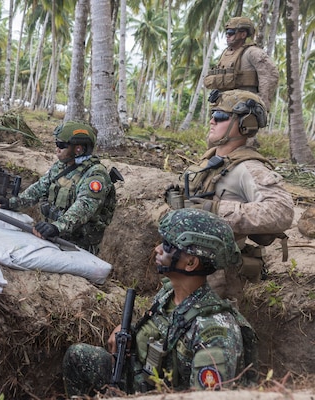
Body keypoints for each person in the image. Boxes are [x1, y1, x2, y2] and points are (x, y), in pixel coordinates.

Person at [62, 208, 258, 397]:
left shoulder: (215, 333)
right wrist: (127, 331)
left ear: (190, 263)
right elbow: (161, 334)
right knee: (78, 356)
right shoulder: (168, 294)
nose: (157, 249)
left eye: (167, 246)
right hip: (142, 383)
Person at [164, 89, 294, 300]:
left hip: (217, 275)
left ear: (245, 124)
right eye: (212, 114)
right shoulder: (210, 161)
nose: (212, 121)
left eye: (221, 116)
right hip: (184, 263)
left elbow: (282, 210)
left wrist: (216, 210)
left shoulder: (249, 168)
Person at [0, 121, 117, 255]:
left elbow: (84, 207)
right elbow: (39, 188)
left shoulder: (95, 175)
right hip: (53, 236)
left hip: (77, 246)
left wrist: (57, 227)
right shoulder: (61, 166)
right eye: (56, 144)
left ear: (78, 149)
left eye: (62, 145)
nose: (56, 149)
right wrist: (14, 203)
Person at [204, 16, 279, 111]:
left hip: (244, 109)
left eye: (231, 33)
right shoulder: (225, 54)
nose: (227, 35)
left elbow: (269, 75)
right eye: (226, 32)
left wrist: (261, 102)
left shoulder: (253, 52)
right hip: (222, 107)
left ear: (243, 35)